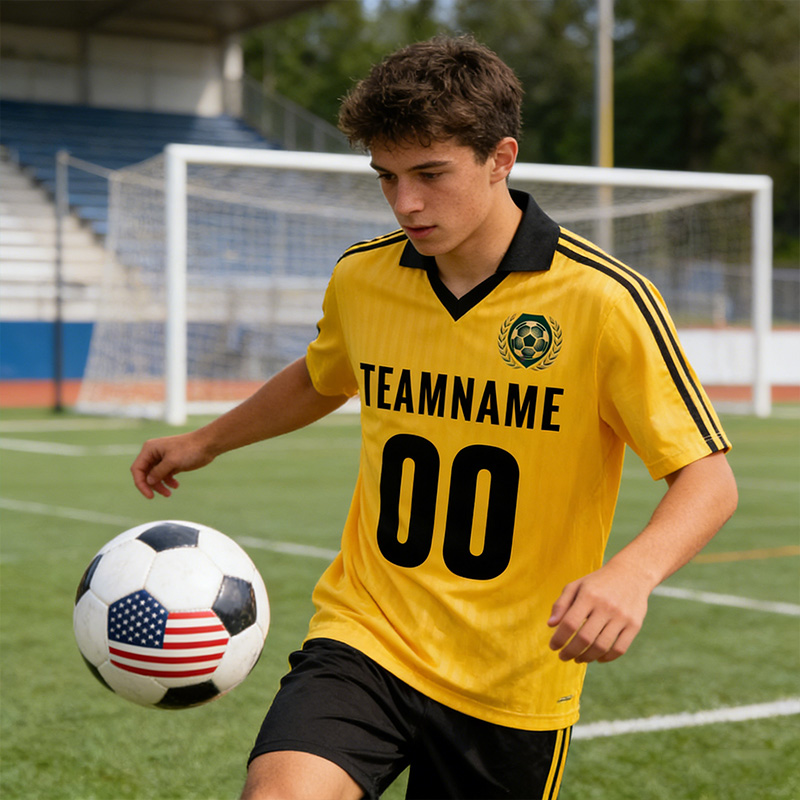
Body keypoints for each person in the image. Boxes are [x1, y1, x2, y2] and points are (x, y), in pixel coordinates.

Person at [131, 35, 737, 800]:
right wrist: (206, 440)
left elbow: (709, 481)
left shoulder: (604, 302)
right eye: (386, 177)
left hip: (513, 678)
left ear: (500, 158)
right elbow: (324, 376)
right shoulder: (364, 276)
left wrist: (632, 574)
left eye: (429, 174)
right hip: (367, 634)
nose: (405, 203)